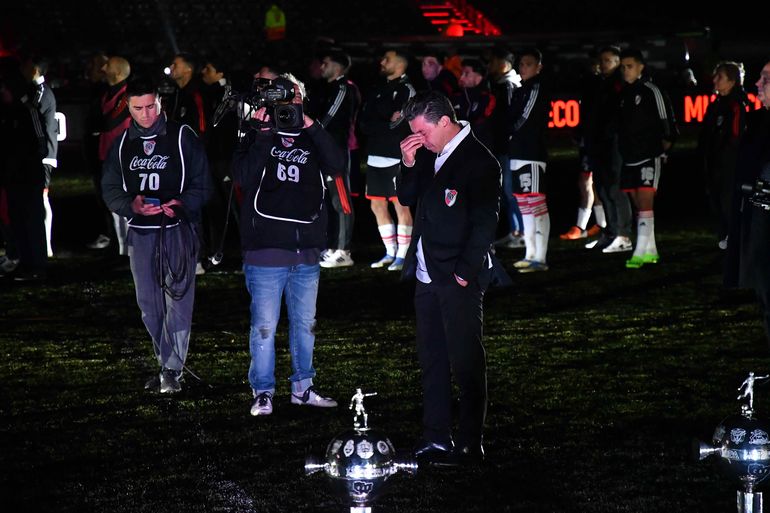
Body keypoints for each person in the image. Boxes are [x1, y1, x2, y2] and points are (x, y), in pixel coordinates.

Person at [232, 74, 350, 416]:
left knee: (305, 325)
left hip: (307, 249)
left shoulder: (312, 133)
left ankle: (303, 387)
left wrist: (310, 125)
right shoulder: (256, 131)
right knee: (265, 327)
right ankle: (263, 391)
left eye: (294, 97)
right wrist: (263, 134)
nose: (289, 105)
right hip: (266, 249)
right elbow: (242, 176)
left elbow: (338, 165)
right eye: (282, 99)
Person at [398, 91, 500, 466]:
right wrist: (408, 162)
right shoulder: (426, 155)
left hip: (457, 276)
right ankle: (436, 438)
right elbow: (408, 197)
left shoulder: (479, 160)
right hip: (426, 275)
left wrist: (462, 274)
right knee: (432, 360)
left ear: (444, 121)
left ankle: (471, 443)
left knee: (466, 361)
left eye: (422, 133)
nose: (418, 140)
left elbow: (485, 224)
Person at [101, 78, 212, 394]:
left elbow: (204, 184)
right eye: (138, 108)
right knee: (149, 307)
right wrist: (130, 205)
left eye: (151, 106)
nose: (146, 114)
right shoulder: (121, 144)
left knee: (178, 303)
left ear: (160, 103)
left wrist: (181, 204)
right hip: (141, 235)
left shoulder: (182, 136)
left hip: (177, 232)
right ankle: (166, 365)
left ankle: (171, 371)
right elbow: (109, 189)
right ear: (128, 108)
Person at [617, 48, 677, 269]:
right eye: (622, 66)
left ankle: (639, 251)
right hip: (629, 157)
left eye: (629, 66)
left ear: (641, 66)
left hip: (648, 156)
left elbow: (667, 123)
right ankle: (650, 250)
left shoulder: (652, 90)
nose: (625, 70)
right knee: (637, 205)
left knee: (645, 202)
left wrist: (663, 150)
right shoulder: (623, 93)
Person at [359, 49, 416, 271]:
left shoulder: (407, 90)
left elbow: (399, 123)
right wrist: (383, 122)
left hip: (396, 155)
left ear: (401, 63)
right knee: (377, 205)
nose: (382, 62)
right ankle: (389, 252)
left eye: (387, 59)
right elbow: (364, 123)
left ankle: (403, 255)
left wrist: (379, 124)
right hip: (375, 155)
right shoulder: (377, 89)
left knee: (400, 205)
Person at [582, 46, 633, 252]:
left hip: (613, 145)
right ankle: (611, 232)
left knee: (615, 188)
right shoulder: (599, 84)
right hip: (598, 143)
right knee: (602, 189)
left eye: (608, 60)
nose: (603, 64)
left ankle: (623, 235)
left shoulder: (620, 85)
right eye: (602, 60)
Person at [0, 70, 48, 281]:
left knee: (32, 221)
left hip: (28, 177)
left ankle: (37, 265)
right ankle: (25, 262)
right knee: (18, 221)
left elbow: (40, 144)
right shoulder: (7, 113)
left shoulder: (27, 111)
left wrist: (23, 164)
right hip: (12, 179)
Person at [698, 61, 748, 249]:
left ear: (732, 81)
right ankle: (724, 236)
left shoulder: (736, 106)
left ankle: (735, 237)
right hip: (714, 166)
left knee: (729, 203)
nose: (715, 80)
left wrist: (725, 157)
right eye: (715, 76)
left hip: (728, 166)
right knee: (717, 203)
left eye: (720, 77)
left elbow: (736, 137)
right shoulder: (715, 106)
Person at [509, 48, 551, 272]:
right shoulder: (520, 90)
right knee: (524, 204)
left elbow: (524, 117)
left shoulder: (536, 88)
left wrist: (509, 131)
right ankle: (530, 253)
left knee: (536, 203)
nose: (522, 67)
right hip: (517, 153)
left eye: (528, 63)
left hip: (531, 154)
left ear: (538, 67)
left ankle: (540, 258)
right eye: (521, 63)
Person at [315, 49, 358, 268]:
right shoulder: (329, 88)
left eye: (326, 63)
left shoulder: (344, 88)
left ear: (338, 67)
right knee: (329, 201)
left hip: (336, 153)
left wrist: (311, 131)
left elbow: (329, 117)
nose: (322, 67)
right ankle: (332, 246)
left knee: (341, 200)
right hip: (325, 152)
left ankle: (343, 251)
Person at [93, 56, 132, 255]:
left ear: (117, 72)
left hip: (123, 159)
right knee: (116, 209)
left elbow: (109, 123)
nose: (103, 67)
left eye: (107, 65)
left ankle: (130, 251)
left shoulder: (127, 95)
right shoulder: (108, 95)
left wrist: (96, 125)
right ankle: (123, 251)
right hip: (108, 157)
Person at [487, 47, 524, 249]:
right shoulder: (501, 85)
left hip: (508, 148)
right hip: (502, 146)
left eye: (492, 62)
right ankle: (515, 231)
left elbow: (510, 118)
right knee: (506, 192)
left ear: (503, 64)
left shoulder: (509, 86)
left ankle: (521, 233)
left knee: (511, 192)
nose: (489, 67)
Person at [21, 56, 57, 258]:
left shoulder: (42, 91)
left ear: (35, 69)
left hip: (44, 155)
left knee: (43, 198)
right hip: (40, 154)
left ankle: (46, 244)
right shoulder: (37, 91)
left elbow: (30, 109)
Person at [452, 58, 496, 150]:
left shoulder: (489, 98)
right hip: (459, 149)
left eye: (466, 73)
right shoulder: (456, 96)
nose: (461, 78)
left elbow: (483, 124)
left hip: (482, 149)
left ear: (479, 76)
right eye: (462, 73)